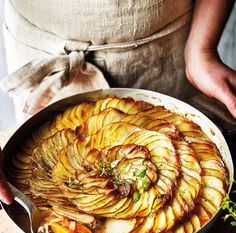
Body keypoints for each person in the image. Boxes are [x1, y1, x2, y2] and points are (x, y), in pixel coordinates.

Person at [0, 0, 236, 204]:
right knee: (36, 171)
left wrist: (201, 49)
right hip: (41, 46)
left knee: (181, 146)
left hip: (163, 51)